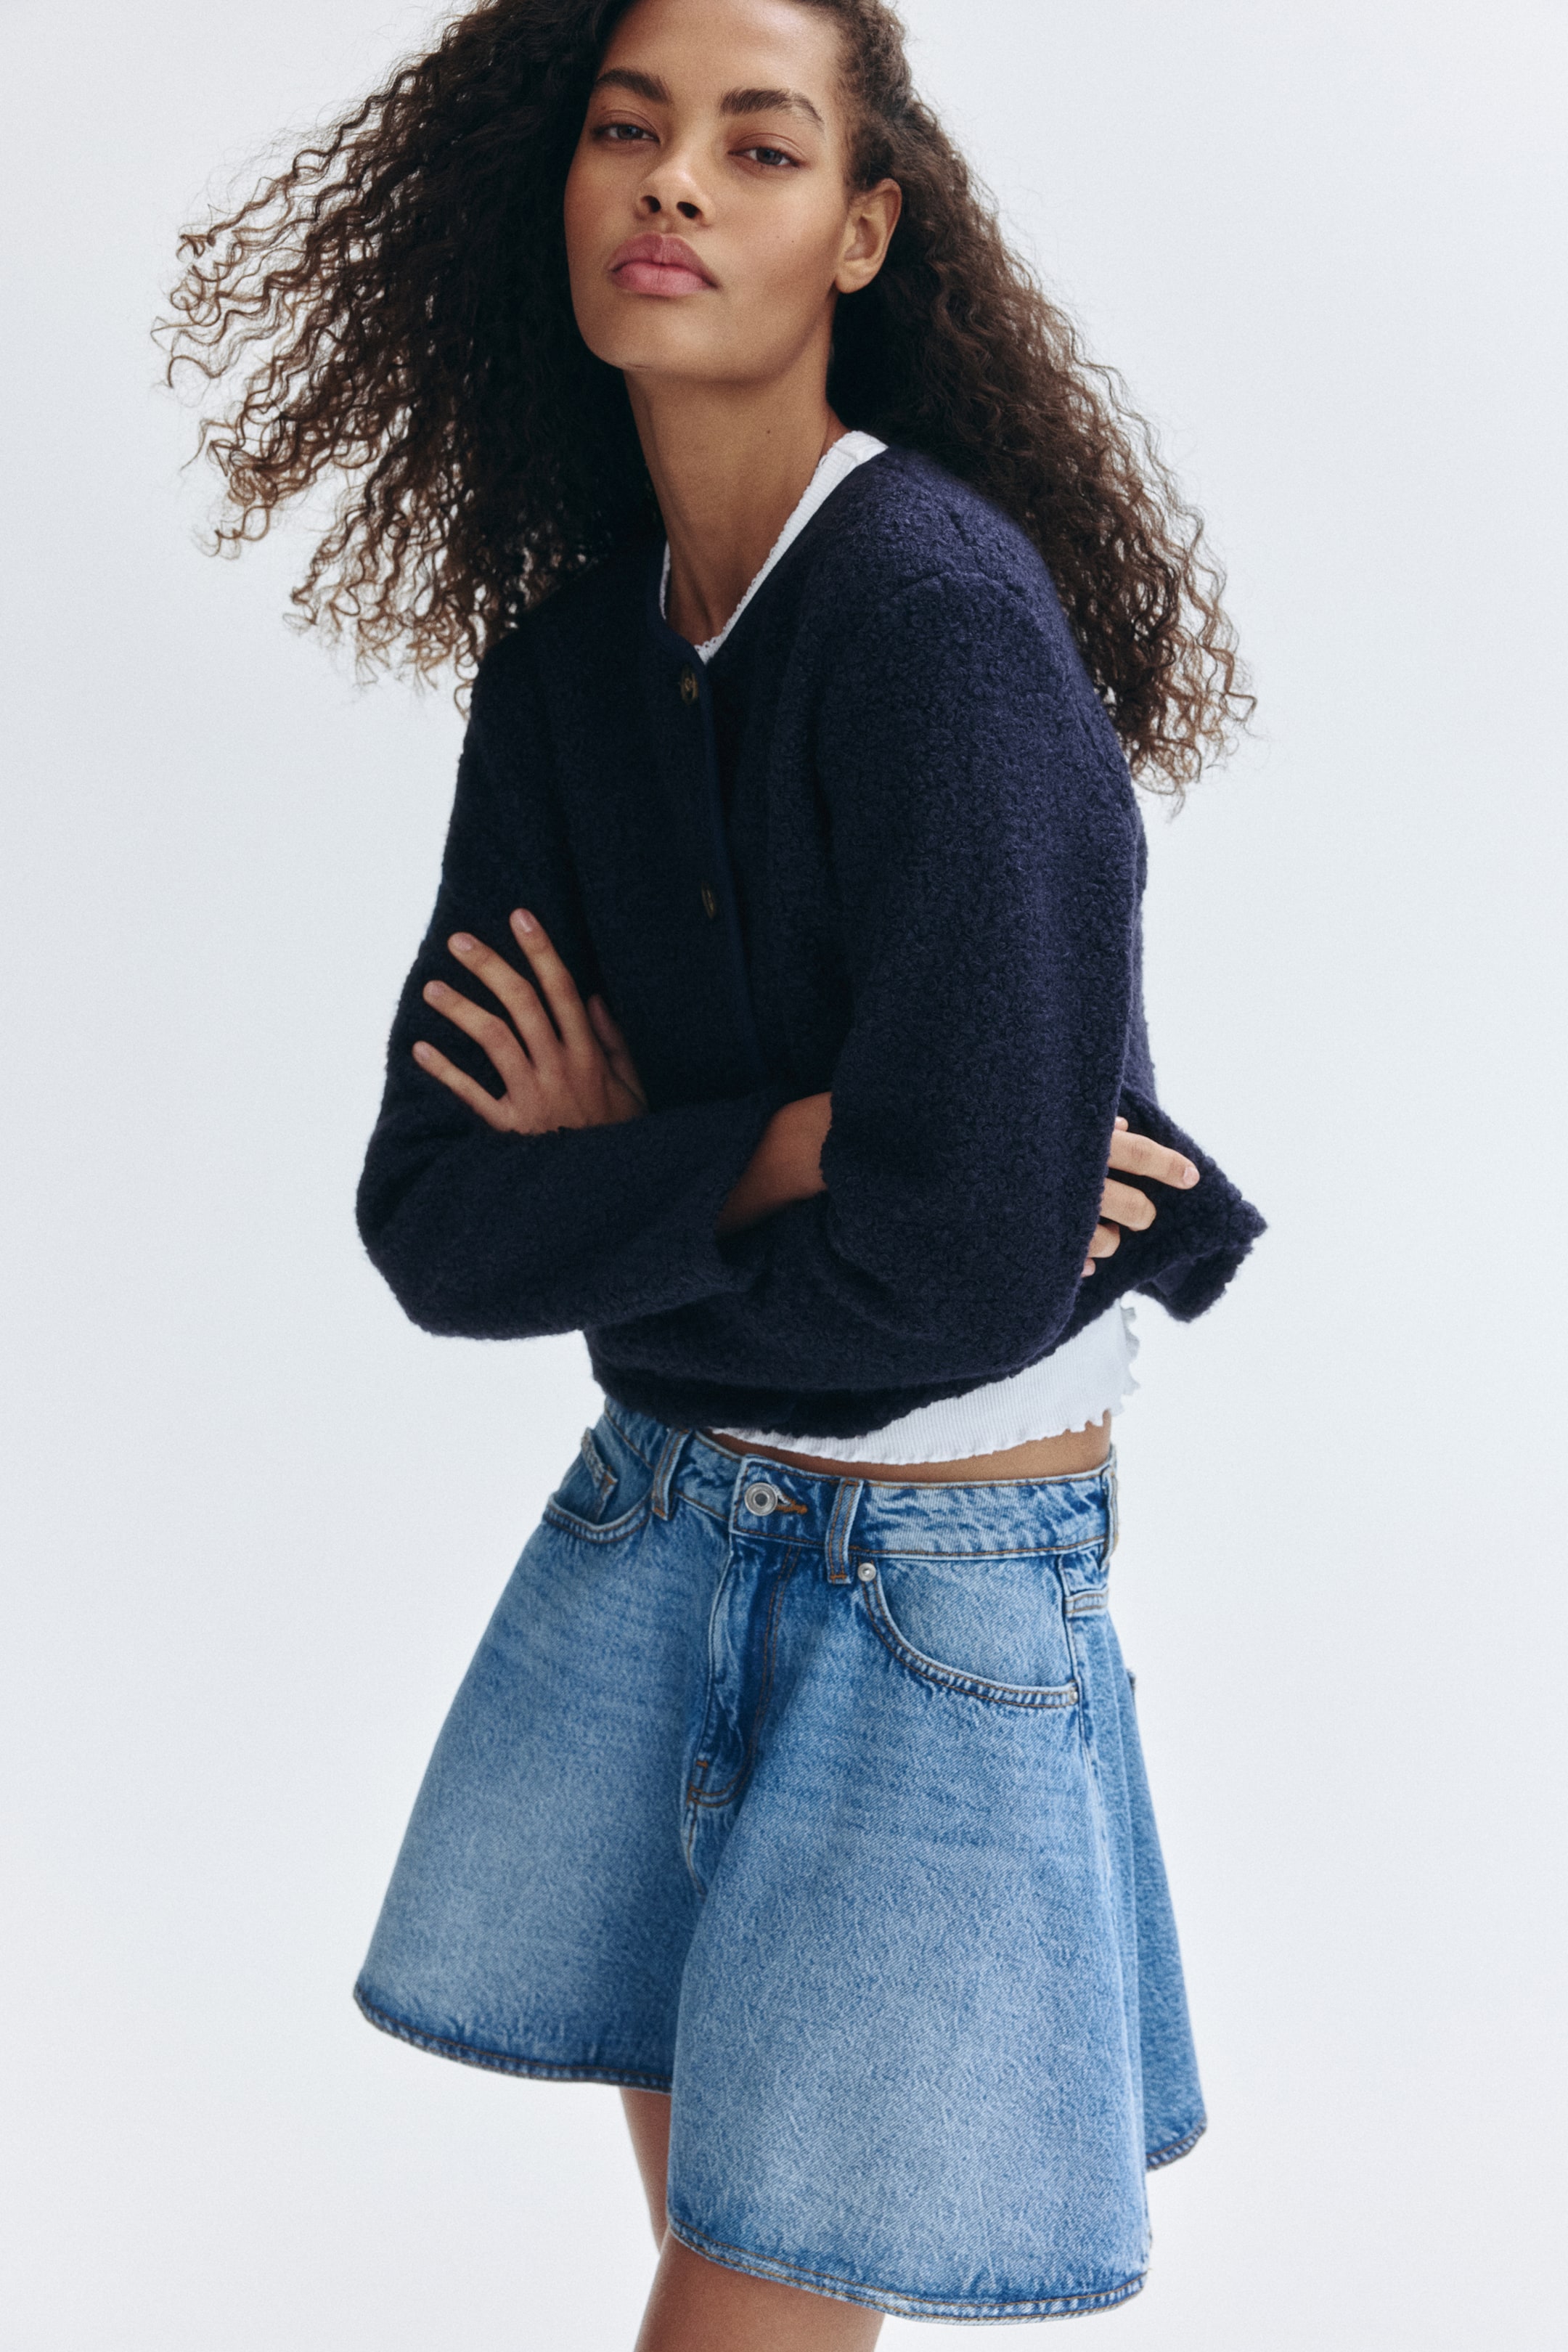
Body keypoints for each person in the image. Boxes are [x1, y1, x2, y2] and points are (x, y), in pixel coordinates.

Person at [166, 0, 1264, 2337]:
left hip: (932, 1583)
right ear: (555, 191)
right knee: (737, 2281)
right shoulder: (568, 671)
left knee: (747, 2310)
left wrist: (630, 1192)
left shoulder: (939, 626)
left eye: (758, 148)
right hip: (666, 1527)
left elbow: (963, 1269)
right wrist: (775, 1149)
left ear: (863, 232)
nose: (672, 182)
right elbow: (431, 1217)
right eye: (627, 129)